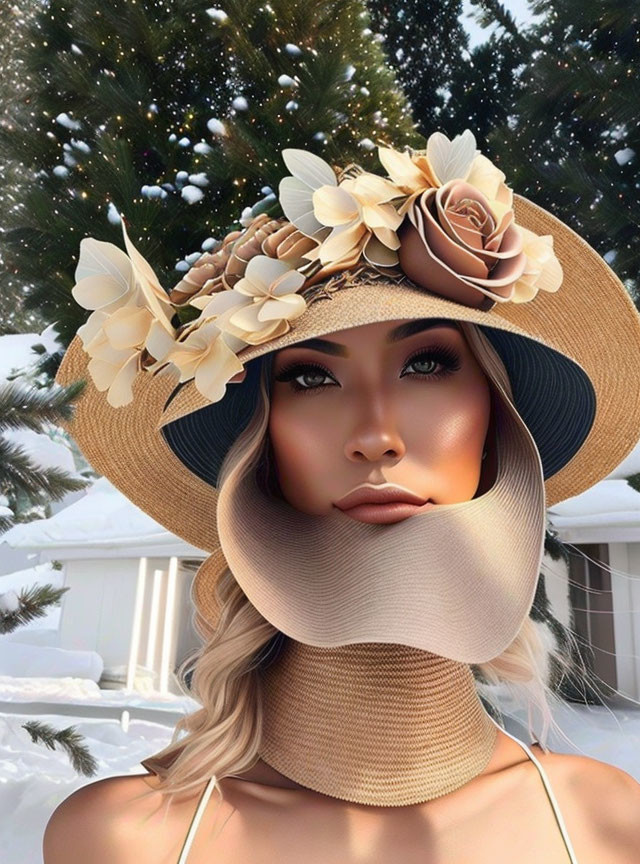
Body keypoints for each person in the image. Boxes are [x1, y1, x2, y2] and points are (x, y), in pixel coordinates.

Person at [43, 129, 640, 863]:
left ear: (496, 416)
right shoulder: (119, 841)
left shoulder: (610, 823)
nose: (376, 435)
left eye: (426, 363)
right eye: (311, 377)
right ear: (259, 444)